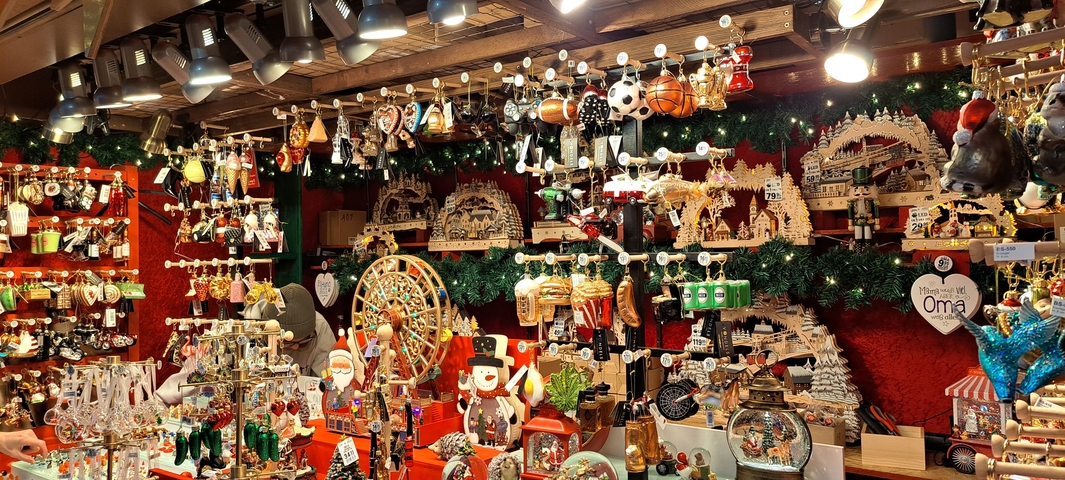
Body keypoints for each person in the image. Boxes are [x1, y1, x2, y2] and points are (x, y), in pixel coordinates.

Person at [262, 283, 337, 377]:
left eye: (303, 342)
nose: (295, 347)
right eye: (286, 343)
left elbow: (325, 380)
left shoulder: (320, 326)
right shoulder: (254, 331)